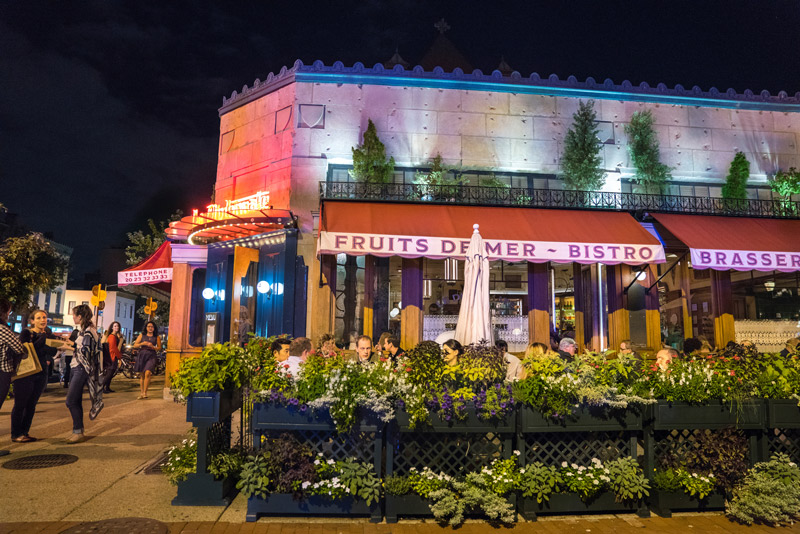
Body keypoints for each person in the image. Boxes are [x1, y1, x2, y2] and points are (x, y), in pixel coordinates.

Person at [13, 310, 58, 443]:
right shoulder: (26, 333)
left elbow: (53, 351)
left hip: (41, 372)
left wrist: (43, 345)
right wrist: (42, 342)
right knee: (20, 404)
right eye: (38, 318)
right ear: (32, 321)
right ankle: (16, 433)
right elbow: (25, 349)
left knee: (32, 404)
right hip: (26, 373)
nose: (42, 320)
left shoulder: (49, 333)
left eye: (44, 317)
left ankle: (25, 432)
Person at [64, 304, 103, 444]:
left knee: (70, 401)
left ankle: (78, 431)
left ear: (80, 317)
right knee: (76, 400)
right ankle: (78, 431)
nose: (73, 317)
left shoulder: (89, 331)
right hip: (76, 366)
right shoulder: (84, 330)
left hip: (82, 368)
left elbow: (87, 351)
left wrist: (71, 345)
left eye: (74, 314)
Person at [0, 298, 25, 457]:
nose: (9, 314)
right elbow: (18, 347)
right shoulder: (2, 330)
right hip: (2, 370)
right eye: (8, 311)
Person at [133, 321, 161, 400]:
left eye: (152, 327)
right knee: (142, 374)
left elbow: (159, 347)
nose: (150, 328)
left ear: (154, 328)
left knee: (148, 373)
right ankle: (141, 392)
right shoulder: (142, 335)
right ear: (146, 327)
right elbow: (135, 345)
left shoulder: (157, 337)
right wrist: (143, 343)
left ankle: (145, 392)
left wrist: (153, 347)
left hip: (151, 355)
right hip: (142, 355)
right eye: (149, 326)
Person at [101, 321, 123, 393]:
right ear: (112, 327)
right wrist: (119, 356)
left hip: (112, 356)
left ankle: (107, 387)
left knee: (111, 372)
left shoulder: (115, 336)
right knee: (110, 372)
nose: (117, 327)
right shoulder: (112, 336)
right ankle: (102, 387)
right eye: (115, 326)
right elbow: (113, 348)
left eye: (118, 326)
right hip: (112, 356)